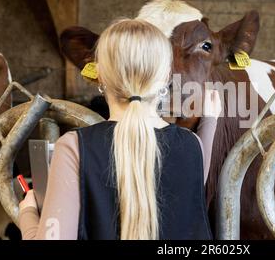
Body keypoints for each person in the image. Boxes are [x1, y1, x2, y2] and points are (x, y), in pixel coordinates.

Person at [18, 19, 219, 240]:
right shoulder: (192, 146)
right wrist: (210, 118)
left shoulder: (74, 147)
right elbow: (191, 188)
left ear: (100, 76)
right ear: (165, 78)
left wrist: (26, 214)